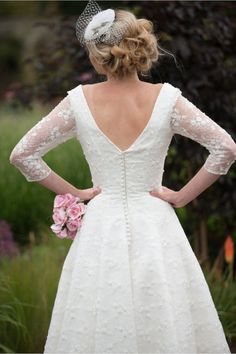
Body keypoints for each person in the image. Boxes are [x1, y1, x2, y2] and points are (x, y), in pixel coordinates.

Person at [9, 0, 236, 353]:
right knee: (164, 317)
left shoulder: (78, 102)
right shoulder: (168, 100)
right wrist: (181, 196)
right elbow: (225, 147)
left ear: (99, 55)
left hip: (102, 226)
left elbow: (22, 154)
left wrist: (78, 193)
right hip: (157, 224)